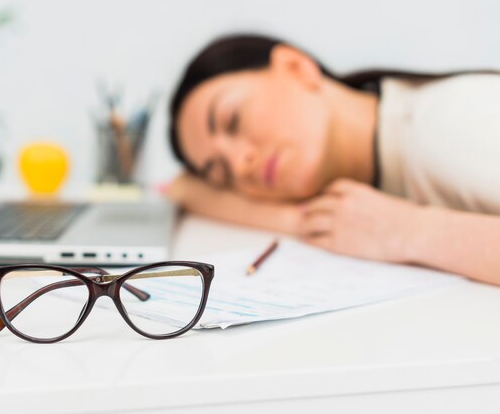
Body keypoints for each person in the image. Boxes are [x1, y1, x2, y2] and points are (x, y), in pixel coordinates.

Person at [165, 34, 500, 286]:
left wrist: (408, 232)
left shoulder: (446, 123)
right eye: (223, 174)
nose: (240, 165)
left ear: (296, 67)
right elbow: (182, 188)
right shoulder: (368, 172)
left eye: (232, 119)